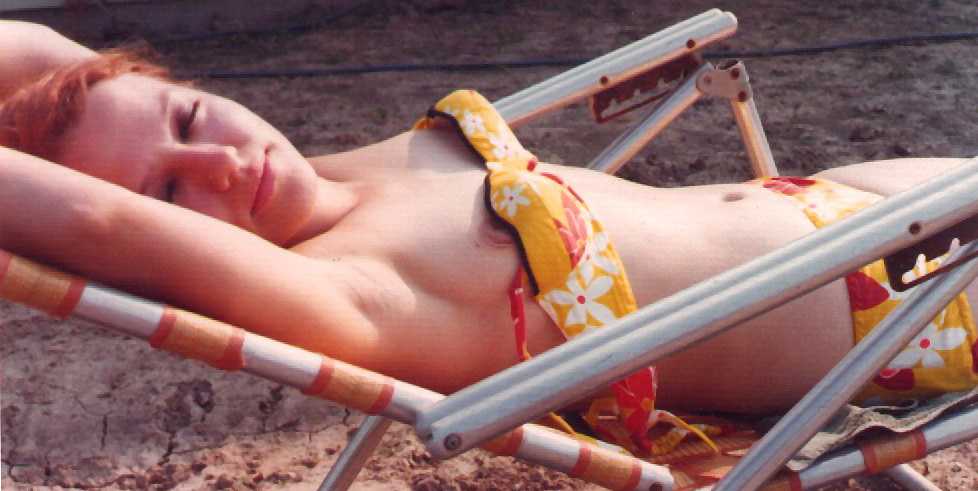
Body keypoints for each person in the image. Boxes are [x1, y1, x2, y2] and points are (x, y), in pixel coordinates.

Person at [2, 21, 976, 439]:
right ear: (156, 235)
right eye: (174, 195)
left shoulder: (331, 176)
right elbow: (94, 214)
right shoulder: (343, 292)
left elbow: (38, 52)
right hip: (913, 302)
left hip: (858, 203)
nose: (223, 161)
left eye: (186, 117)